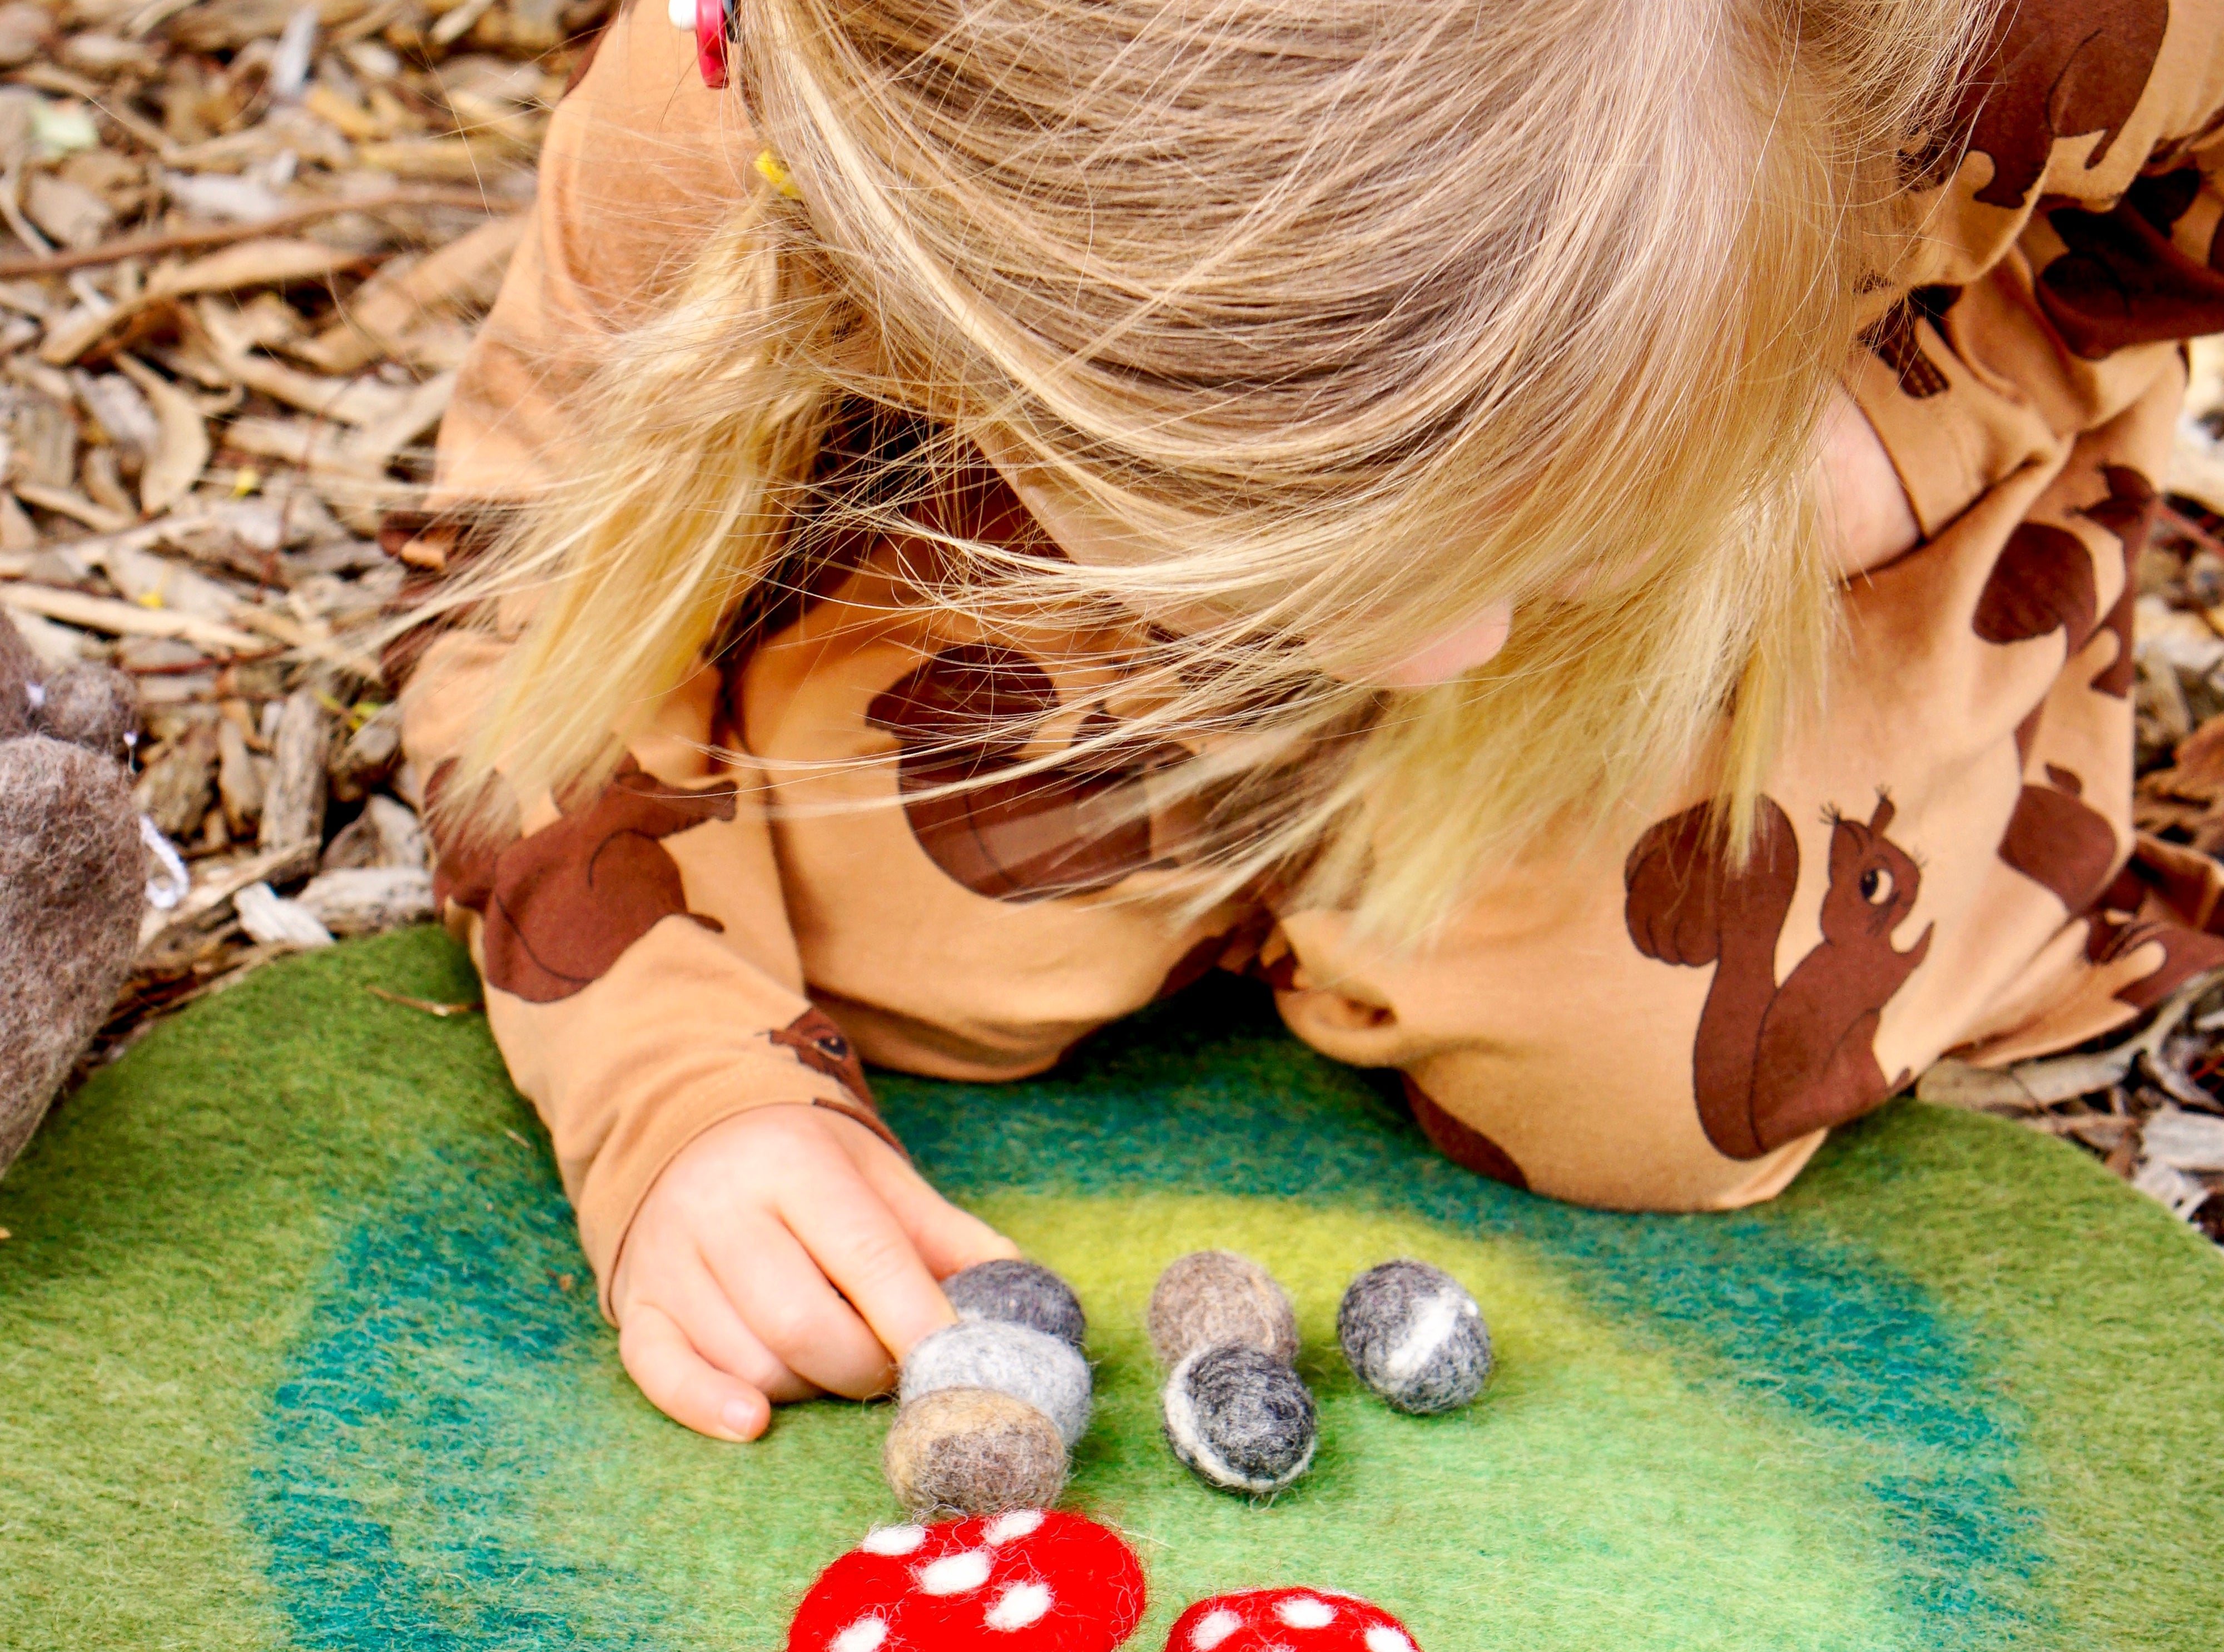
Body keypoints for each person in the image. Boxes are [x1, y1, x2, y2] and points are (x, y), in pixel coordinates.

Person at [395, 0, 2224, 1442]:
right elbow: (527, 581)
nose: (1462, 653)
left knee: (1661, 1075)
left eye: (1526, 552)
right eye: (1330, 573)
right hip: (1039, 448)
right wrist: (684, 1097)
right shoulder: (755, 102)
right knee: (907, 940)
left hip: (1832, 389)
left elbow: (2175, 232)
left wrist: (1923, 418)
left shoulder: (2075, 27)